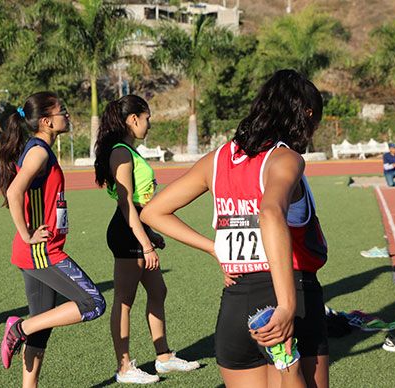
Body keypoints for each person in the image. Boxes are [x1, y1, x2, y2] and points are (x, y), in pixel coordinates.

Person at [141, 70, 329, 388]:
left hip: (236, 303)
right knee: (291, 375)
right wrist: (285, 306)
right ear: (307, 114)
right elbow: (270, 213)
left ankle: (287, 362)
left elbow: (154, 212)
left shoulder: (217, 160)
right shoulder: (286, 159)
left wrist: (214, 247)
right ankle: (288, 363)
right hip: (291, 293)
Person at [0, 92, 106, 388]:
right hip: (41, 251)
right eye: (63, 112)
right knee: (93, 303)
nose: (67, 115)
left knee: (42, 325)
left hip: (37, 251)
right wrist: (26, 234)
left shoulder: (41, 149)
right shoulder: (39, 151)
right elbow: (13, 192)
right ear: (46, 121)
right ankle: (19, 327)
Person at [94, 95, 199, 384]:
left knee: (158, 291)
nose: (149, 123)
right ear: (133, 119)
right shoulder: (121, 153)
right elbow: (126, 204)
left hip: (138, 228)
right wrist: (146, 243)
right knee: (125, 300)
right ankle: (124, 367)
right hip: (127, 230)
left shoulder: (130, 150)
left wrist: (150, 234)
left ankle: (163, 357)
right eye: (147, 117)